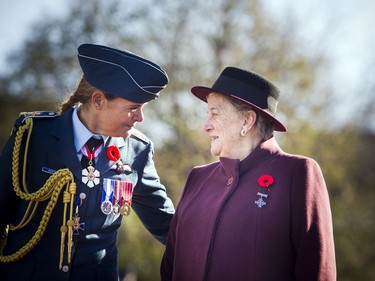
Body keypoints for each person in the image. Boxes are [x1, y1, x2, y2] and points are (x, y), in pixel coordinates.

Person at [0, 43, 175, 281]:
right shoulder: (33, 136)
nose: (140, 118)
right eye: (132, 108)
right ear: (98, 100)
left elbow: (168, 226)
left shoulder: (137, 151)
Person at [160, 67, 336, 281]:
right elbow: (169, 268)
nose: (206, 126)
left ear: (247, 121)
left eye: (214, 114)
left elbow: (317, 271)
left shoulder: (298, 173)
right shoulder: (197, 178)